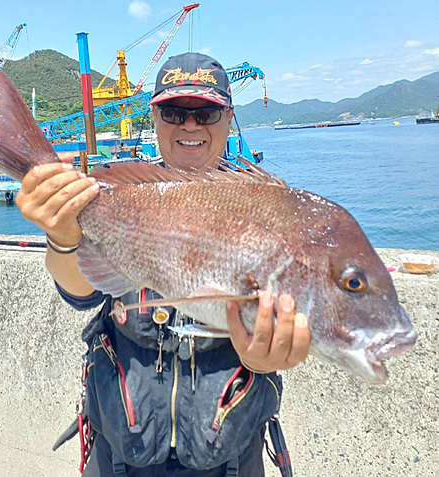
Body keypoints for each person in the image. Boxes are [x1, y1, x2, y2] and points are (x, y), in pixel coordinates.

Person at [16, 52, 310, 476]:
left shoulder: (266, 209)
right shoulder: (122, 194)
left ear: (228, 119)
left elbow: (293, 318)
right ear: (155, 118)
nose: (190, 125)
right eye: (174, 112)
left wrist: (266, 357)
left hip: (228, 456)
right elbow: (81, 294)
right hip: (120, 452)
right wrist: (62, 237)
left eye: (206, 113)